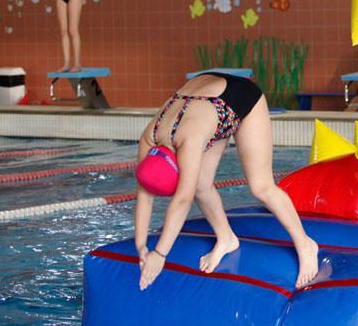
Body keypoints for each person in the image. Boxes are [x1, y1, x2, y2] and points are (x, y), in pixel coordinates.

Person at [134, 72, 319, 291]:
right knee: (201, 184)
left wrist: (160, 254)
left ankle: (306, 244)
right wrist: (141, 246)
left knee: (261, 186)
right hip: (206, 101)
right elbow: (143, 196)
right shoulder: (149, 138)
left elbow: (182, 200)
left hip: (239, 96)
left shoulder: (188, 142)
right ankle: (226, 238)